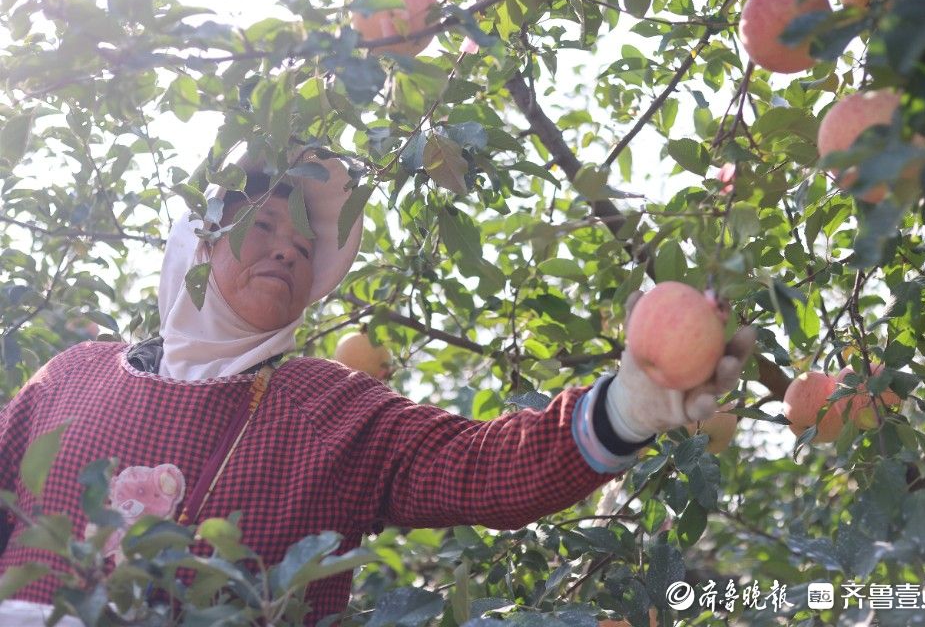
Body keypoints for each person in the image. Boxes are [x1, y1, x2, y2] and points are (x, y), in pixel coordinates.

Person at [0, 146, 755, 626]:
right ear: (197, 239)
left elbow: (483, 468)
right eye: (265, 226)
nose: (288, 251)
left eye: (306, 246)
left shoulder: (330, 407)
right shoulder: (72, 375)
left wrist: (626, 408)